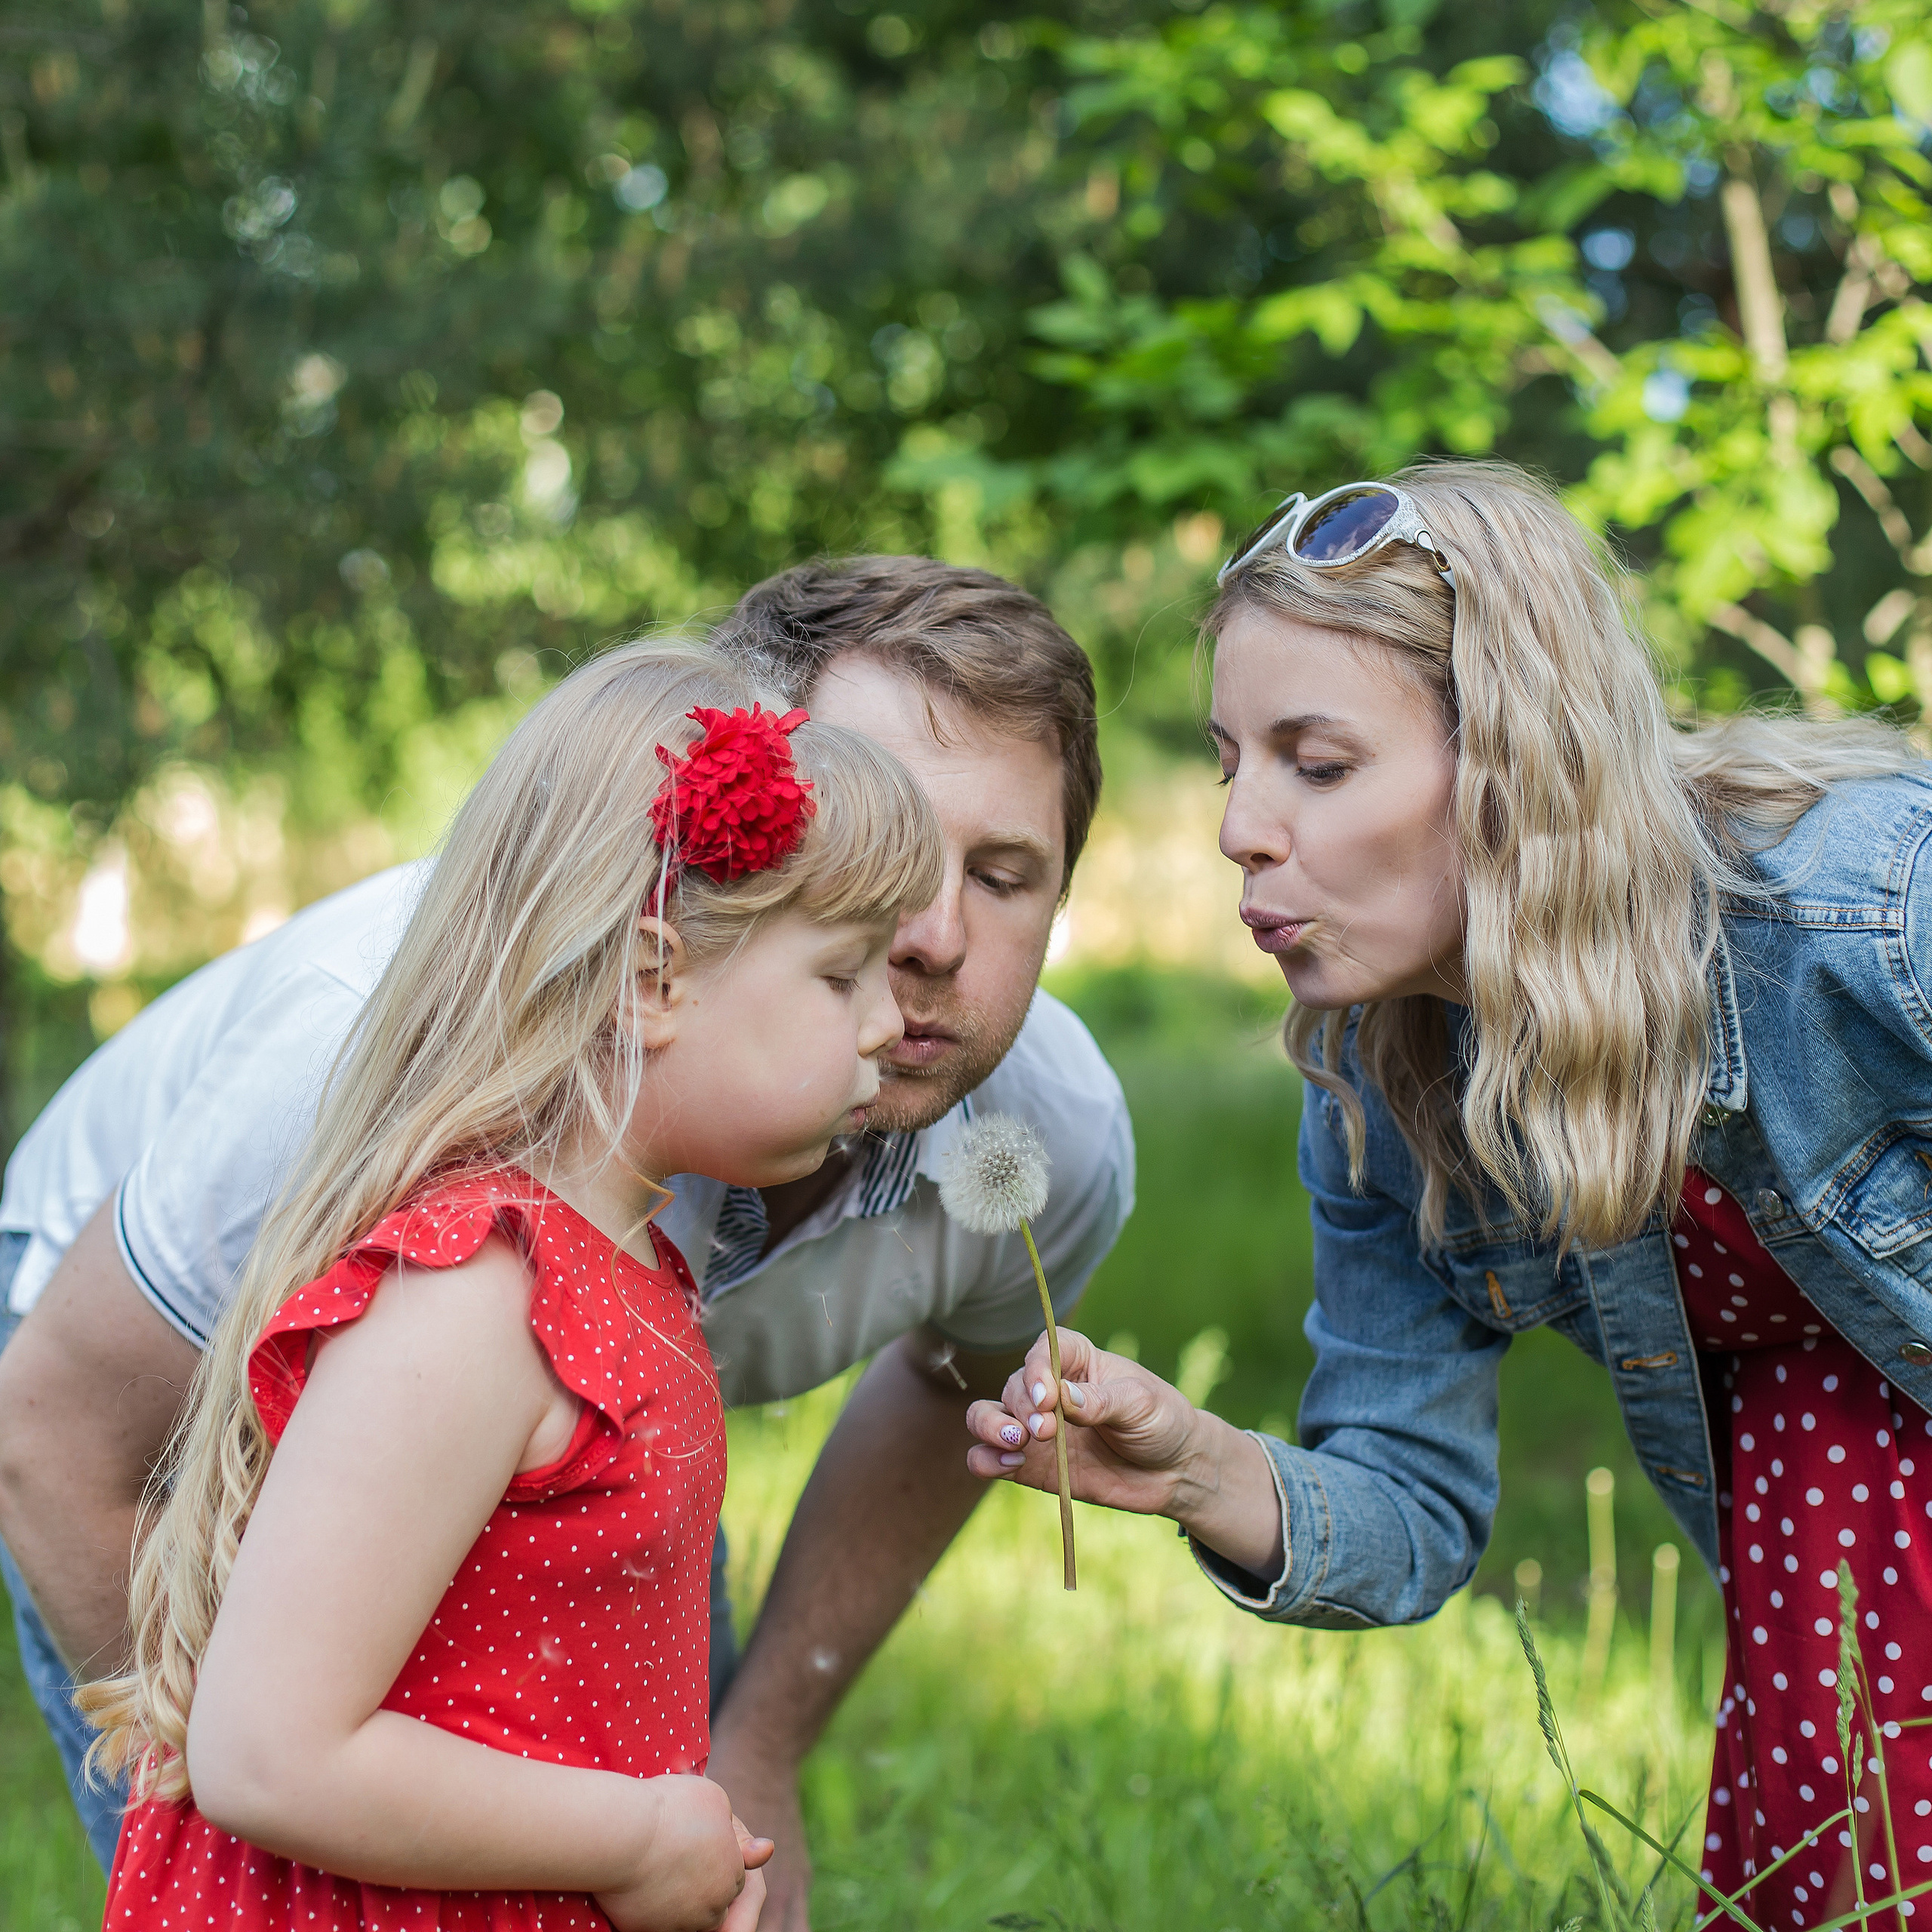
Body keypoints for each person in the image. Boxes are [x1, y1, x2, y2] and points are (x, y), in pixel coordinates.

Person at [0, 555, 1134, 1930]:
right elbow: (62, 1449)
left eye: (1004, 877)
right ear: (676, 917)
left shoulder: (1021, 1139)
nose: (933, 943)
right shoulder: (418, 1160)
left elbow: (954, 1384)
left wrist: (744, 1759)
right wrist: (250, 1852)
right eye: (870, 866)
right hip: (115, 1359)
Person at [968, 461, 1932, 1918]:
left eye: (1317, 763)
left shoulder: (1863, 910)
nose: (1239, 828)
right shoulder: (1385, 1086)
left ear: (1517, 763)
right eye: (1231, 762)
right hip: (1831, 1584)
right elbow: (1411, 1506)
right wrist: (1193, 1470)